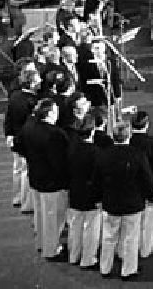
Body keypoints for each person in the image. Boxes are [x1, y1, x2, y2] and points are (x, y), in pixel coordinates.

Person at [93, 121, 153, 280]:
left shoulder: (103, 155)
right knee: (131, 238)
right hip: (132, 204)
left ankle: (105, 268)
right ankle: (128, 270)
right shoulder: (137, 155)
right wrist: (151, 197)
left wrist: (97, 198)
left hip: (110, 203)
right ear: (129, 136)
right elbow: (147, 179)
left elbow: (96, 180)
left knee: (108, 237)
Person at [17, 97, 70, 260]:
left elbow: (20, 148)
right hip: (52, 183)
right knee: (53, 218)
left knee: (40, 215)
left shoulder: (29, 128)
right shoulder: (55, 134)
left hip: (35, 178)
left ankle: (41, 243)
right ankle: (51, 249)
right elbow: (60, 162)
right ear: (50, 113)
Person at [129, 111, 153, 259]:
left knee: (131, 220)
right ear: (147, 125)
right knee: (148, 221)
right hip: (149, 185)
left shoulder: (127, 141)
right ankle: (145, 249)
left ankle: (129, 248)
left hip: (130, 185)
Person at [66, 113, 103, 269]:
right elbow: (99, 177)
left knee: (75, 225)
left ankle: (74, 255)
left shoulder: (71, 149)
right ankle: (88, 258)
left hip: (75, 192)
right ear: (92, 131)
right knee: (91, 228)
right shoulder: (96, 152)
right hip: (91, 195)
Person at [4, 61, 40, 212]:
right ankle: (27, 203)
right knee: (26, 171)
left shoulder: (14, 96)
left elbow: (8, 118)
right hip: (25, 140)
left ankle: (18, 197)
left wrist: (9, 135)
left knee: (18, 169)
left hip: (15, 138)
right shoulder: (31, 101)